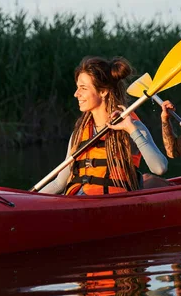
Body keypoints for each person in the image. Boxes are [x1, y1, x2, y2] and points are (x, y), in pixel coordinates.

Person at [41, 56, 168, 195]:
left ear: (103, 91)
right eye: (77, 88)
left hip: (112, 203)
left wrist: (131, 129)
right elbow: (59, 183)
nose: (76, 94)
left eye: (83, 88)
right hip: (78, 202)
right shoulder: (79, 133)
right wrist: (27, 198)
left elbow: (159, 168)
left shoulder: (132, 126)